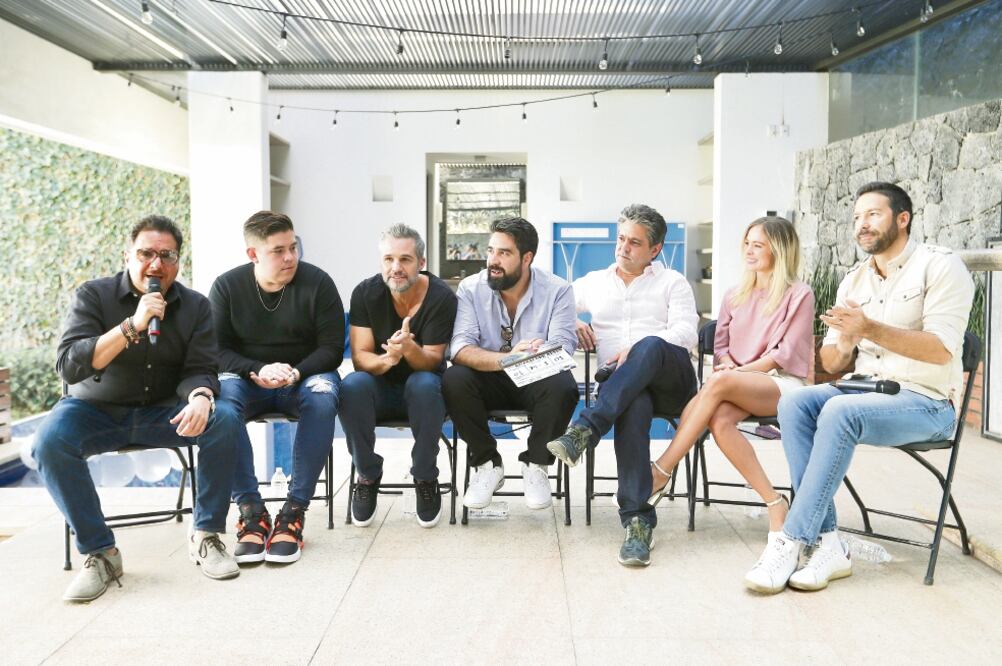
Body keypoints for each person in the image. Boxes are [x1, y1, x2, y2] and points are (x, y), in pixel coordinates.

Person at [745, 182, 975, 594]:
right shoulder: (854, 281)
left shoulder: (940, 266)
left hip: (926, 403)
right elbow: (832, 363)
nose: (862, 225)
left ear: (902, 219)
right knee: (796, 403)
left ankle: (791, 540)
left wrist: (868, 327)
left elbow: (942, 350)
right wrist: (848, 340)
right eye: (856, 218)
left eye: (873, 215)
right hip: (863, 391)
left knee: (838, 412)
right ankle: (830, 543)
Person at [32, 215, 242, 603]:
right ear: (127, 255)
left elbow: (200, 367)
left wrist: (200, 396)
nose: (156, 265)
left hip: (163, 412)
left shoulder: (195, 306)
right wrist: (132, 325)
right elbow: (70, 363)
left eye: (166, 255)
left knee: (224, 418)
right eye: (146, 253)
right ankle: (101, 554)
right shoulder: (93, 296)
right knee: (48, 442)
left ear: (179, 262)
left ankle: (207, 536)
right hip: (95, 410)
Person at [545, 204, 700, 566]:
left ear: (655, 249)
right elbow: (553, 305)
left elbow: (686, 332)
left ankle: (586, 428)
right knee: (635, 401)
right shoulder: (594, 282)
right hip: (623, 389)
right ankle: (637, 521)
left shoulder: (672, 282)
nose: (623, 247)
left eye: (634, 242)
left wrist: (639, 347)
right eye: (621, 239)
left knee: (649, 346)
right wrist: (570, 323)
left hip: (672, 378)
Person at [646, 217, 811, 543]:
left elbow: (782, 356)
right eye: (747, 244)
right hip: (736, 382)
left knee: (717, 385)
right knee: (719, 421)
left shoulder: (799, 294)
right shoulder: (735, 294)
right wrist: (729, 366)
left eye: (758, 245)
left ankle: (661, 470)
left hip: (781, 383)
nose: (749, 251)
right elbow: (720, 346)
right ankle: (775, 503)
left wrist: (734, 373)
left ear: (779, 250)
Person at [209, 211, 344, 565]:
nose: (290, 258)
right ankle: (252, 512)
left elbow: (331, 348)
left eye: (293, 247)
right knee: (222, 407)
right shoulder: (226, 287)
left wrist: (295, 373)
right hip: (247, 378)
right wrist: (257, 369)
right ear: (252, 254)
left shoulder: (318, 283)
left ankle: (294, 512)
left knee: (323, 397)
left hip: (304, 377)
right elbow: (216, 352)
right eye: (278, 251)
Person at [443, 217, 579, 511]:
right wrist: (508, 359)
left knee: (564, 385)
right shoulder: (470, 288)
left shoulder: (558, 290)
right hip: (489, 376)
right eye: (491, 250)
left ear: (526, 258)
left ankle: (536, 463)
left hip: (536, 377)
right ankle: (487, 464)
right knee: (454, 379)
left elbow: (563, 348)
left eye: (504, 253)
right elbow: (460, 348)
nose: (493, 260)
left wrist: (530, 357)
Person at [340, 224, 458, 528]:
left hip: (423, 393)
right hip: (379, 390)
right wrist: (388, 359)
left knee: (424, 383)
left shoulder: (442, 297)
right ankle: (367, 473)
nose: (396, 268)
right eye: (388, 259)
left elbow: (432, 360)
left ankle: (424, 475)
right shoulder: (365, 293)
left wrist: (407, 348)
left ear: (422, 263)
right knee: (352, 385)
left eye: (405, 259)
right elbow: (360, 357)